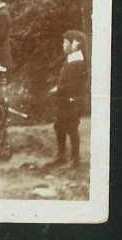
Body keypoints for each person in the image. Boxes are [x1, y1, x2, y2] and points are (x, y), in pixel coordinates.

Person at [47, 31, 88, 169]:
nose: (63, 45)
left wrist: (58, 89)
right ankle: (61, 156)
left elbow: (72, 86)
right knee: (59, 126)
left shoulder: (77, 62)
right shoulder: (71, 59)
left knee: (71, 128)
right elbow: (65, 80)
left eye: (65, 42)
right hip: (65, 101)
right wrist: (58, 87)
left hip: (72, 102)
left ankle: (75, 160)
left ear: (75, 44)